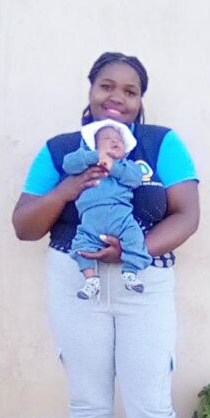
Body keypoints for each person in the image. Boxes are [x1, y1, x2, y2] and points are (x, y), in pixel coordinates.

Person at [12, 51, 200, 418]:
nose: (116, 98)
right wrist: (68, 188)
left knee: (151, 407)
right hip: (77, 281)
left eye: (130, 91)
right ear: (91, 89)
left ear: (141, 100)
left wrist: (131, 252)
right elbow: (24, 225)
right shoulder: (61, 150)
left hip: (144, 281)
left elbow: (188, 215)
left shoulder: (161, 145)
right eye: (106, 86)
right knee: (88, 402)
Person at [63, 119, 152, 299]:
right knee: (80, 246)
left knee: (135, 237)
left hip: (120, 217)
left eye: (119, 139)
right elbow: (68, 164)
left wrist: (113, 166)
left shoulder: (127, 166)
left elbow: (135, 179)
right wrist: (95, 156)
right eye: (107, 138)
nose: (114, 141)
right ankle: (91, 280)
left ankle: (131, 271)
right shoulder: (85, 163)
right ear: (93, 144)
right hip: (91, 218)